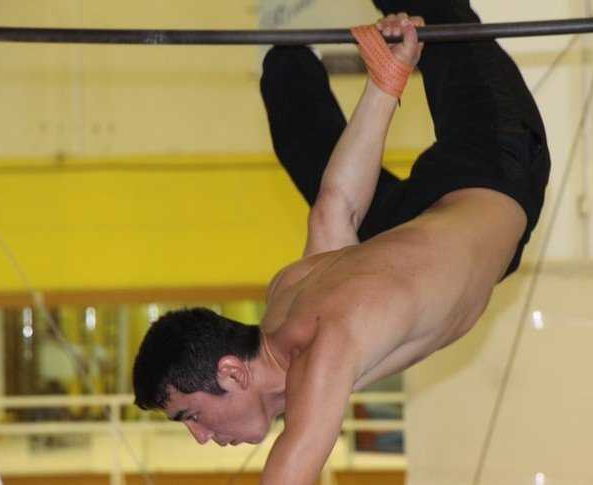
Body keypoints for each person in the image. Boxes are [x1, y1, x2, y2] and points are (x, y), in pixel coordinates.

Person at [133, 1, 550, 483]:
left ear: (231, 372)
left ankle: (286, 44)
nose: (201, 437)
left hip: (497, 163)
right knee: (322, 184)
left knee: (436, 12)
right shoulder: (288, 293)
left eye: (191, 416)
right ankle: (288, 54)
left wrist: (389, 78)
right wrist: (385, 81)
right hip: (441, 218)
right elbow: (336, 207)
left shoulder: (323, 346)